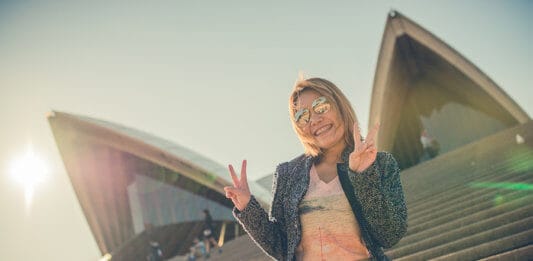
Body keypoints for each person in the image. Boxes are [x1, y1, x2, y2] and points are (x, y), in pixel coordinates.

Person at [224, 77, 407, 260]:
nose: (314, 120)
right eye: (303, 116)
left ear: (339, 105)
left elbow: (390, 235)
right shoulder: (288, 174)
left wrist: (364, 175)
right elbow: (282, 247)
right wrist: (248, 207)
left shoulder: (381, 164)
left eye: (320, 107)